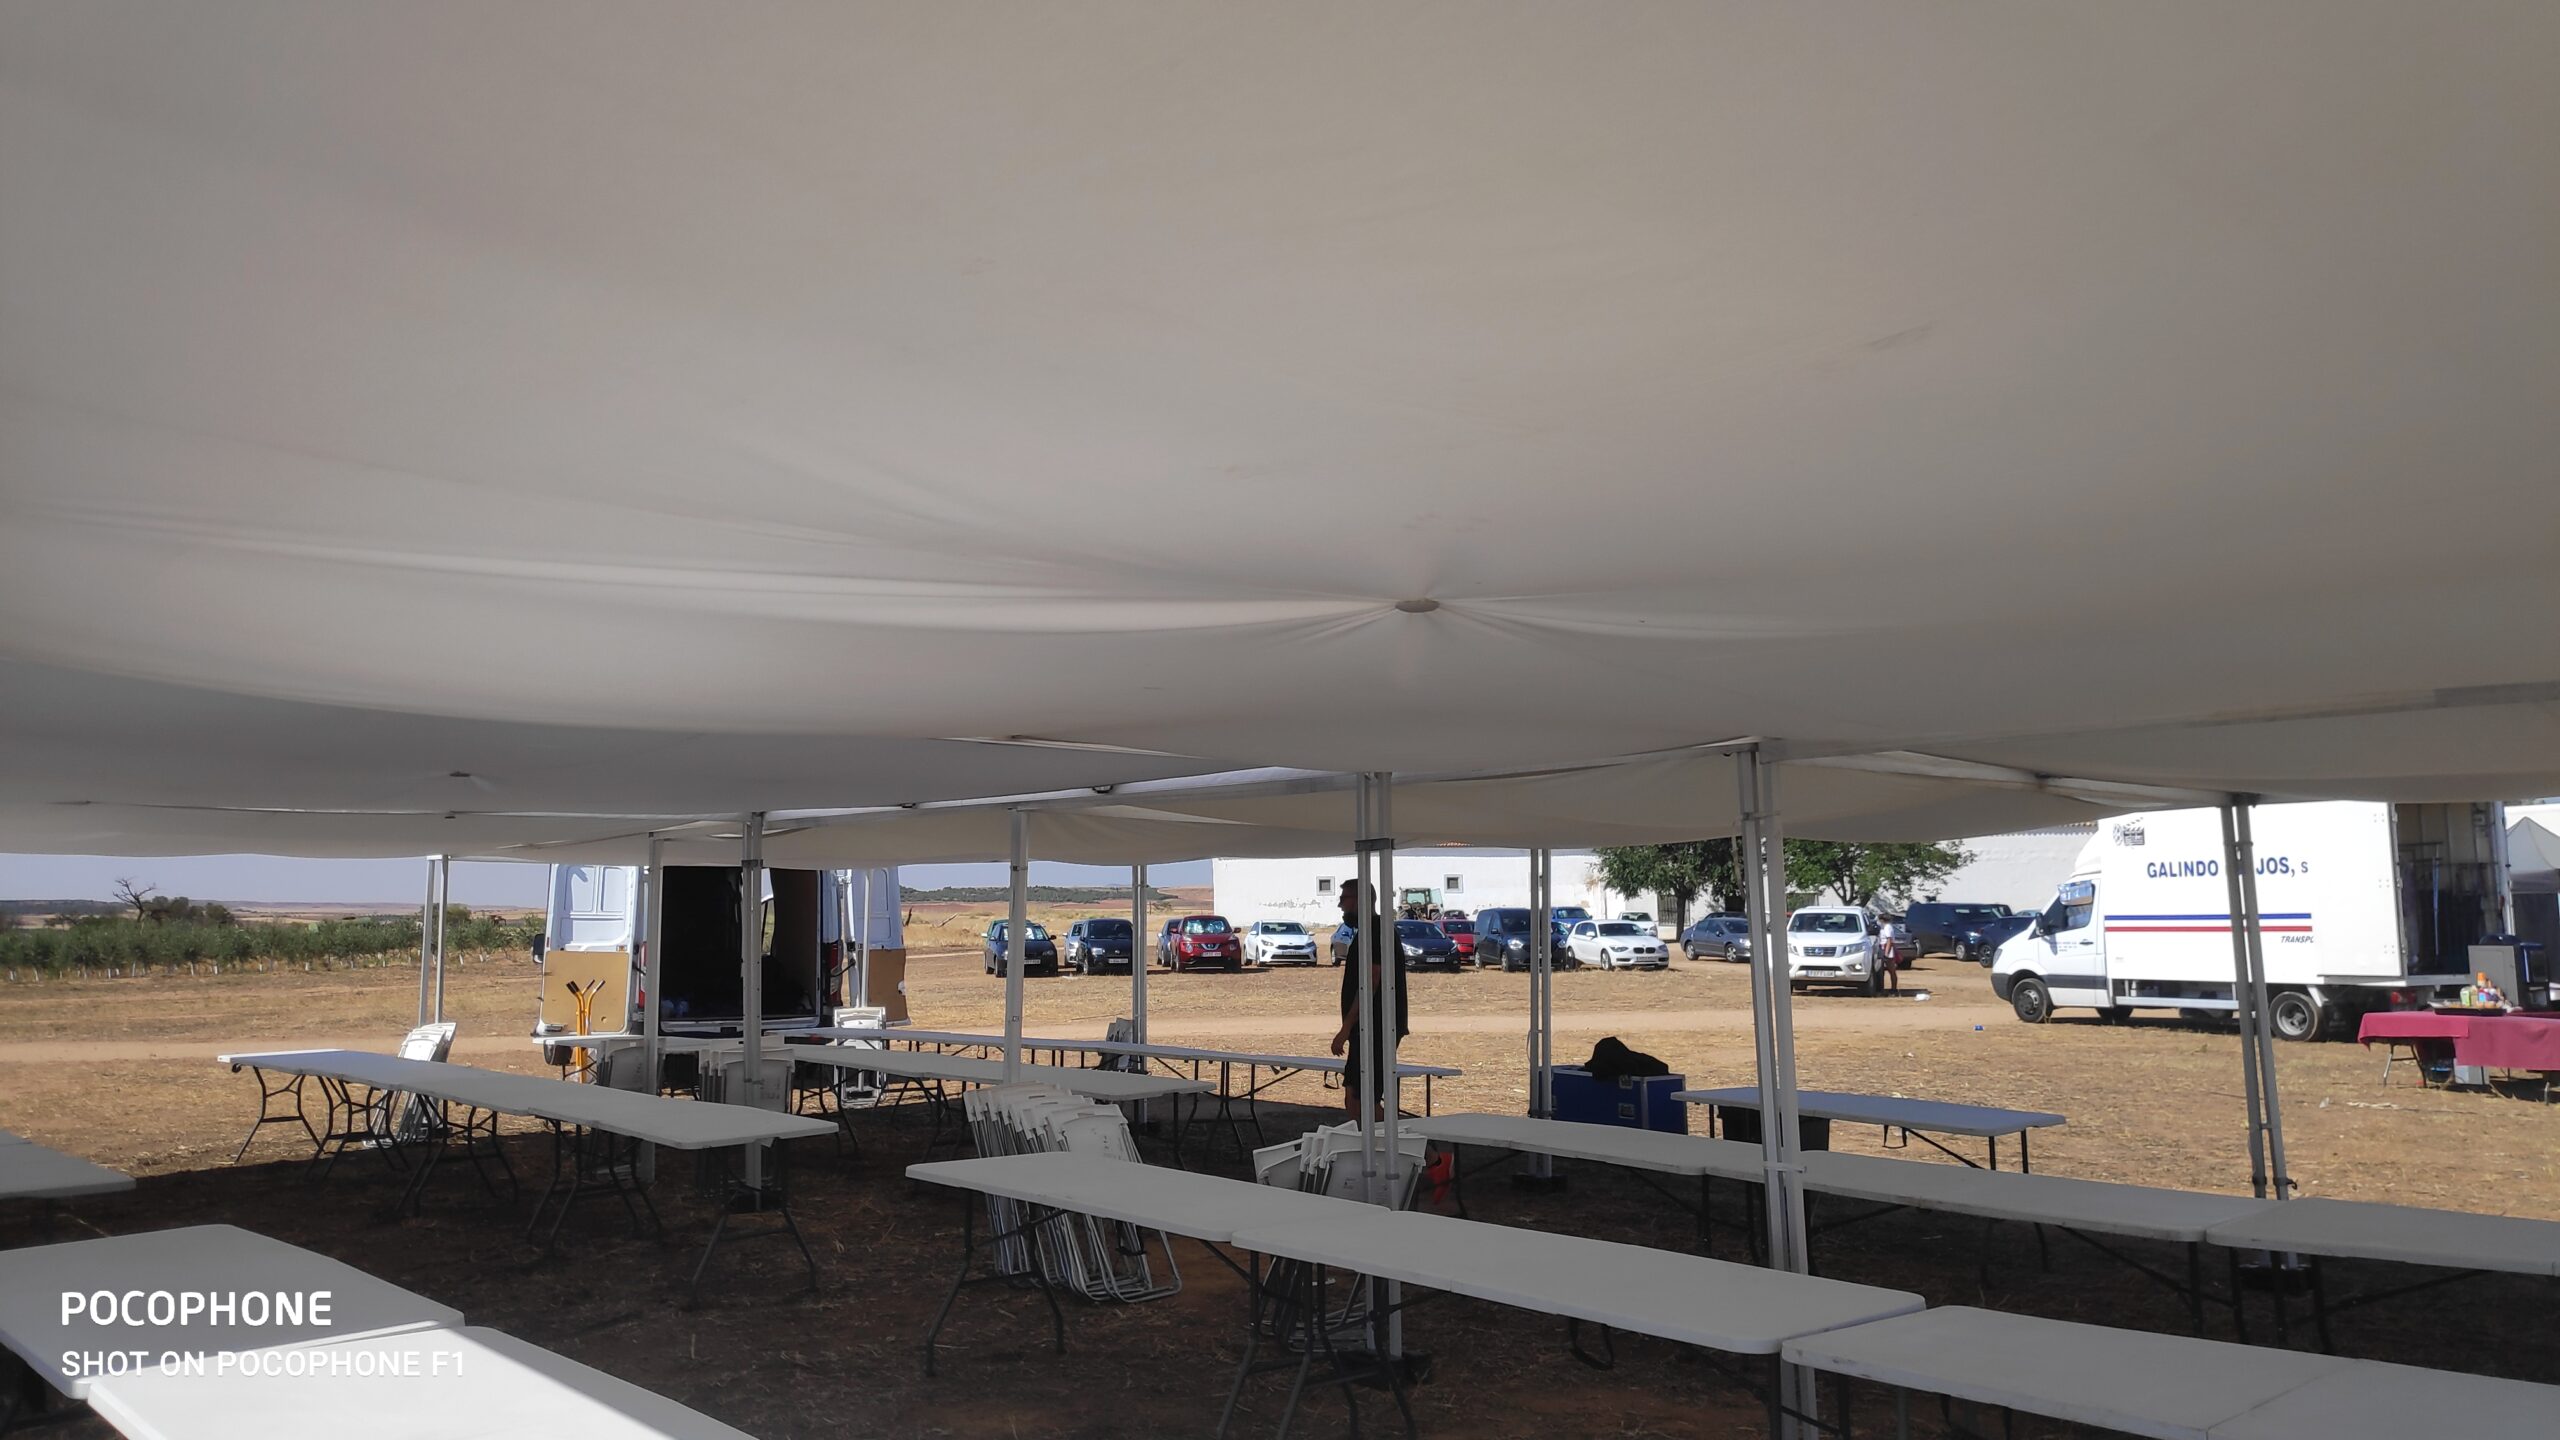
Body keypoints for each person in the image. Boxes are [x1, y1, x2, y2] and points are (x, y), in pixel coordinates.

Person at [1329, 878, 1410, 1117]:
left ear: (1360, 900)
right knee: (1355, 1096)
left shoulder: (1376, 931)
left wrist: (1346, 1028)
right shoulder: (1368, 931)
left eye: (1344, 899)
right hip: (1366, 1029)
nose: (1340, 905)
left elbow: (1372, 981)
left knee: (1364, 1098)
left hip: (1377, 1028)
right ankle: (1368, 1139)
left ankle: (1402, 1141)